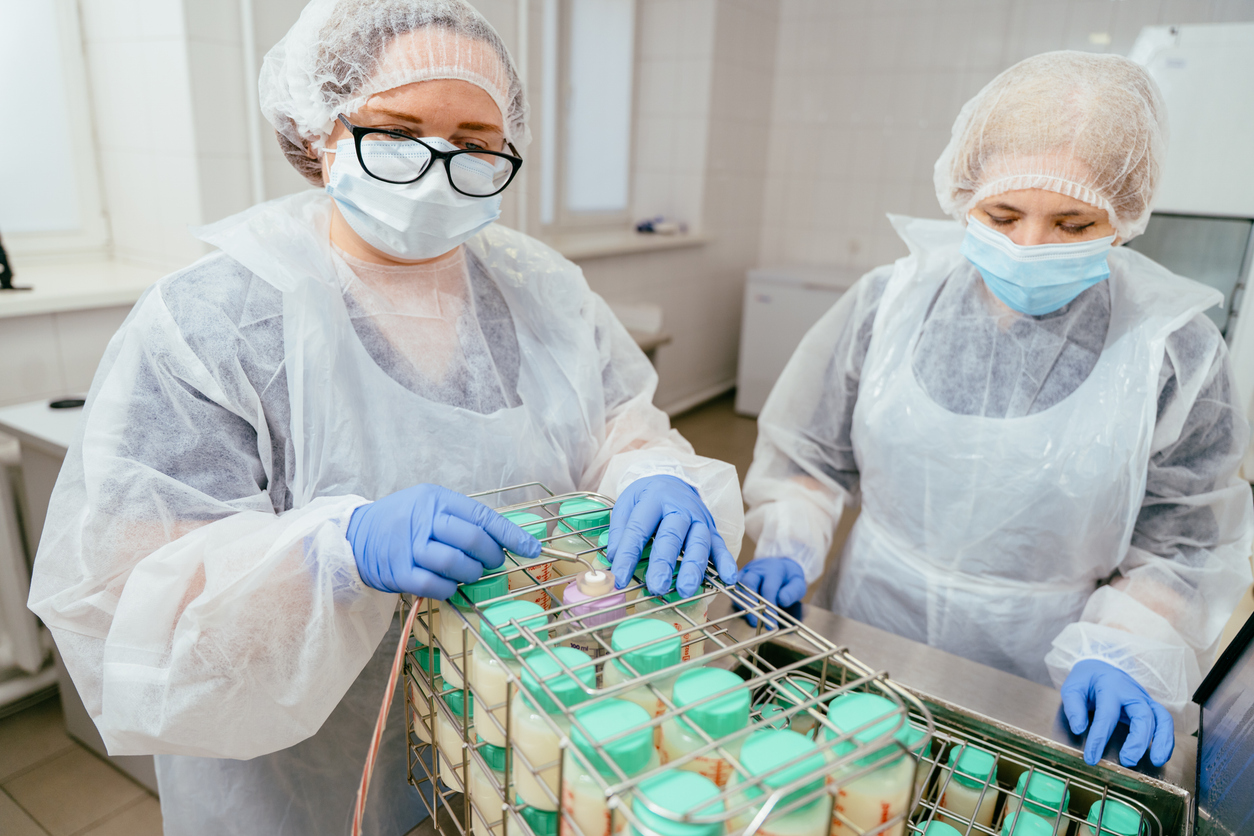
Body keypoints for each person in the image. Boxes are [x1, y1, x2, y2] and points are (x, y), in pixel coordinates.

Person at [26, 2, 742, 833]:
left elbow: (621, 424)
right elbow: (124, 592)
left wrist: (654, 474)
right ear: (317, 131)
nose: (438, 169)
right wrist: (332, 555)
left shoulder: (542, 292)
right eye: (396, 131)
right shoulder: (214, 319)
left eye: (475, 142)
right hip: (299, 777)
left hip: (515, 743)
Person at [739, 51, 1253, 770]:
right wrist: (786, 539)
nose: (1030, 246)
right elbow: (809, 456)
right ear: (962, 194)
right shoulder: (890, 304)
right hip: (868, 620)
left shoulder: (1171, 351)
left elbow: (1184, 545)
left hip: (1040, 669)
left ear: (1125, 213)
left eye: (1073, 224)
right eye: (1003, 214)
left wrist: (1129, 649)